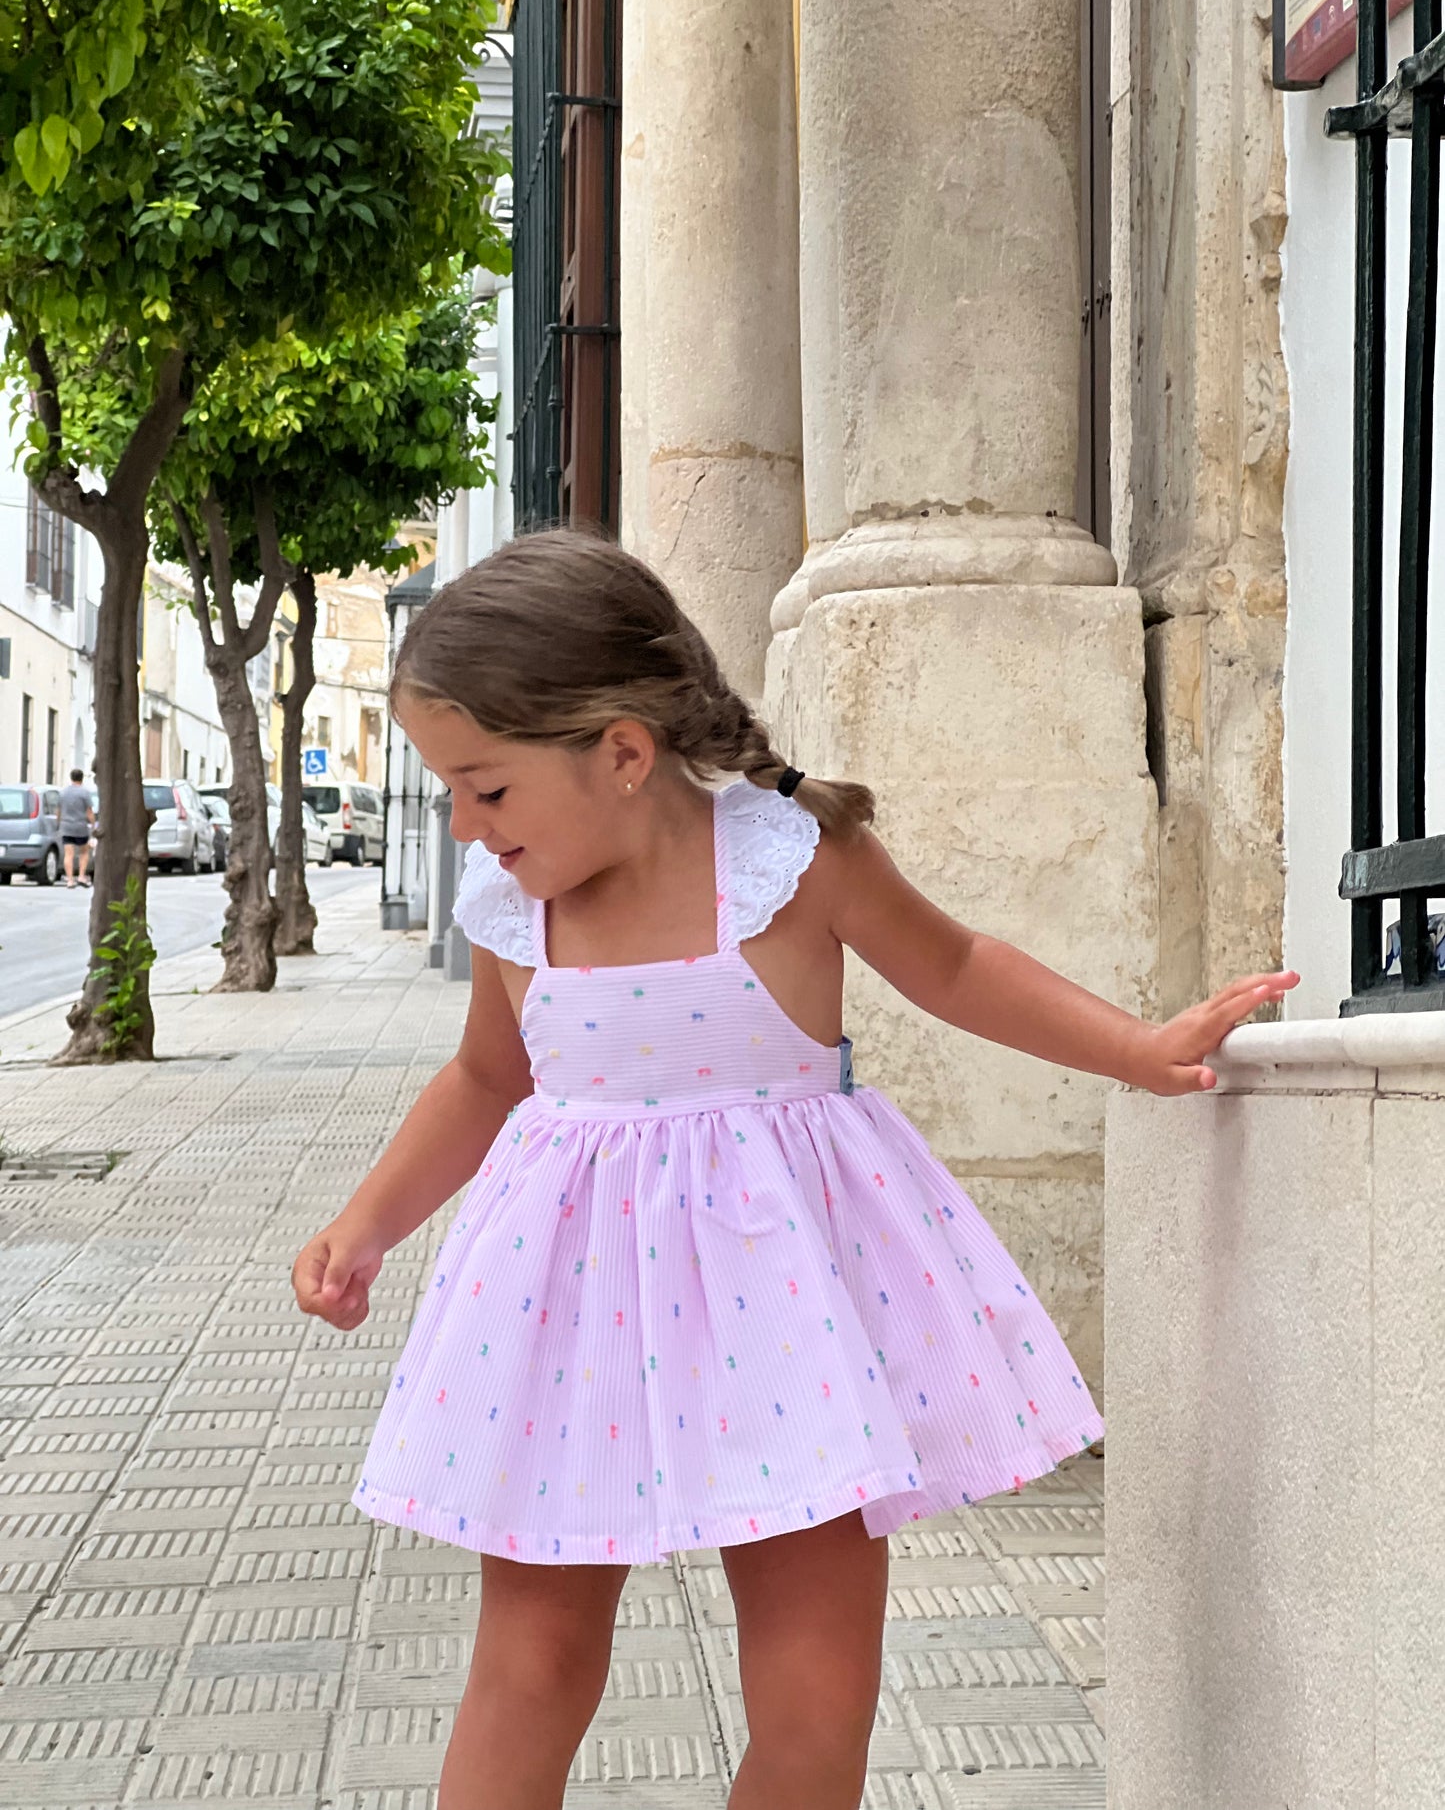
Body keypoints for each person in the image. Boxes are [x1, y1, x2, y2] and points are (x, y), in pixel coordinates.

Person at [292, 532, 1298, 1810]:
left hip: (786, 1315)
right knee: (530, 1663)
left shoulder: (788, 863)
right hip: (568, 1311)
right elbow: (489, 1081)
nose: (463, 828)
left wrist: (1136, 1050)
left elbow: (955, 965)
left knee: (815, 1689)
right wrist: (367, 1222)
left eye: (485, 790)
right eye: (449, 791)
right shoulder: (513, 913)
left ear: (619, 751)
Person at [58, 769, 94, 889]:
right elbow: (89, 811)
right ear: (82, 778)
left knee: (69, 854)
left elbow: (58, 810)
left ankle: (69, 880)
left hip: (66, 826)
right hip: (80, 826)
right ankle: (81, 876)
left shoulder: (63, 793)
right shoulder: (85, 793)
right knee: (84, 852)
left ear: (71, 778)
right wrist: (93, 824)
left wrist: (58, 823)